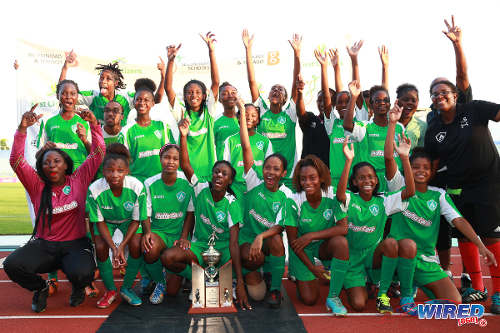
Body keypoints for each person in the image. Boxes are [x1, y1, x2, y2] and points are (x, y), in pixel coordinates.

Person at [384, 106, 497, 315]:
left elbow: (459, 221)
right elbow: (389, 159)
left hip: (426, 262)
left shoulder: (438, 194)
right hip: (401, 255)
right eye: (415, 166)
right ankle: (406, 291)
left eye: (425, 168)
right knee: (406, 245)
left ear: (432, 171)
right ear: (409, 166)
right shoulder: (399, 185)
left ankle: (418, 284)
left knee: (455, 302)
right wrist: (393, 125)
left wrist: (481, 245)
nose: (420, 171)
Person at [4, 105, 105, 313]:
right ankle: (40, 287)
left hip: (74, 245)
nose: (52, 165)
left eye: (57, 161)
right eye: (47, 162)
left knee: (84, 272)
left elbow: (97, 153)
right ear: (41, 168)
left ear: (66, 165)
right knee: (12, 265)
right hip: (45, 246)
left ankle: (78, 287)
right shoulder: (36, 185)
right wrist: (22, 129)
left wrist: (94, 125)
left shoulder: (78, 179)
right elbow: (16, 160)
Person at [424, 79, 500, 314]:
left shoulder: (474, 109)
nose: (439, 97)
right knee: (465, 237)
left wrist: (457, 45)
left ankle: (498, 292)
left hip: (488, 186)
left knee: (490, 237)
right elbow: (433, 165)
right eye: (434, 94)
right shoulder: (434, 128)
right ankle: (477, 288)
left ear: (456, 95)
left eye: (444, 92)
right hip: (456, 189)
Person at [161, 116, 251, 310]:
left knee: (242, 259)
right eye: (216, 172)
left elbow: (234, 243)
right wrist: (183, 137)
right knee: (168, 257)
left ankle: (230, 280)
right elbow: (185, 166)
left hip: (224, 249)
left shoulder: (232, 203)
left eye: (224, 174)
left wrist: (241, 284)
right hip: (201, 246)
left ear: (229, 181)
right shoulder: (201, 188)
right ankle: (200, 277)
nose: (219, 175)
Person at [336, 116, 416, 313]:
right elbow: (339, 194)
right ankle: (357, 282)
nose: (367, 181)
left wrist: (404, 158)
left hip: (373, 257)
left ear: (376, 180)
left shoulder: (383, 200)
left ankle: (382, 293)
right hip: (353, 260)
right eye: (361, 178)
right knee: (358, 304)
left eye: (370, 177)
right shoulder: (349, 198)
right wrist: (348, 161)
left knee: (391, 243)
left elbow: (409, 192)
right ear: (354, 182)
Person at [37, 79, 92, 294]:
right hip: (57, 183)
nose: (69, 97)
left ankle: (86, 273)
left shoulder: (83, 122)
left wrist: (85, 140)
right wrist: (44, 149)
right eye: (64, 93)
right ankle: (52, 277)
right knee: (53, 225)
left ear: (78, 96)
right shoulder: (49, 123)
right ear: (58, 96)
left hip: (79, 182)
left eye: (73, 93)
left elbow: (93, 155)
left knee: (84, 226)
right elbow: (39, 155)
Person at [236, 97, 290, 308]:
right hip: (247, 241)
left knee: (276, 241)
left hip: (264, 240)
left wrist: (261, 236)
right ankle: (255, 271)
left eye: (276, 169)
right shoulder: (253, 180)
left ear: (283, 173)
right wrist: (242, 113)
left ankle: (275, 288)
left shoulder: (286, 194)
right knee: (256, 293)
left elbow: (280, 226)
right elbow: (246, 147)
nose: (270, 172)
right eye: (268, 167)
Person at [285, 155, 349, 315]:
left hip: (322, 245)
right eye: (303, 179)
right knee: (310, 299)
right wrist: (312, 268)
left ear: (321, 178)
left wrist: (311, 236)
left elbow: (343, 228)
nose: (307, 183)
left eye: (312, 178)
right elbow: (293, 241)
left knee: (341, 243)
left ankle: (333, 296)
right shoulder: (293, 200)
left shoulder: (332, 194)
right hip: (302, 250)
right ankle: (301, 274)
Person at [87, 143, 148, 308]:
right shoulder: (94, 190)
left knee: (136, 244)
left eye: (120, 171)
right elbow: (99, 222)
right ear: (103, 171)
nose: (115, 175)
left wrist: (122, 245)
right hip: (106, 223)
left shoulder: (137, 186)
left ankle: (127, 288)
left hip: (129, 222)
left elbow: (137, 220)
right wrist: (114, 248)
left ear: (127, 171)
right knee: (100, 246)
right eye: (110, 170)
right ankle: (110, 290)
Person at [242, 29, 300, 189]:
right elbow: (252, 81)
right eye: (273, 89)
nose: (276, 91)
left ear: (285, 98)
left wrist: (297, 53)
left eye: (280, 90)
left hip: (287, 177)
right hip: (262, 177)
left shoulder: (290, 113)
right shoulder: (260, 110)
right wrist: (248, 49)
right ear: (267, 96)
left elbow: (296, 82)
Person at [141, 143, 195, 304]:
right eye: (166, 157)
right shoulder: (150, 183)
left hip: (178, 235)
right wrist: (148, 233)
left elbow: (190, 213)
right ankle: (160, 281)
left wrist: (185, 237)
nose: (170, 162)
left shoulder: (187, 182)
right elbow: (146, 214)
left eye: (175, 159)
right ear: (160, 159)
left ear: (180, 162)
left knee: (172, 292)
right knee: (149, 247)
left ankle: (197, 276)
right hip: (160, 233)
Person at [164, 32, 220, 182]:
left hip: (209, 175)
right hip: (185, 175)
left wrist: (211, 51)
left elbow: (215, 83)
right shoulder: (181, 113)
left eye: (197, 92)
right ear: (184, 96)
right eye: (189, 92)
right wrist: (170, 62)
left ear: (203, 96)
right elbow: (168, 89)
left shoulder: (209, 111)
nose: (193, 95)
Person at [59, 50, 166, 126]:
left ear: (116, 83)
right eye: (101, 78)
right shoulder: (93, 96)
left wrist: (163, 75)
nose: (103, 81)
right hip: (98, 144)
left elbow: (156, 99)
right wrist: (65, 67)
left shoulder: (126, 98)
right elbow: (62, 94)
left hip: (119, 144)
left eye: (108, 79)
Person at [343, 81, 405, 193]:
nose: (382, 103)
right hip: (371, 182)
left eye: (385, 100)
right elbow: (347, 125)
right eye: (377, 101)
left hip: (395, 180)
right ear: (371, 105)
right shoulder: (365, 127)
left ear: (390, 104)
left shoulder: (399, 127)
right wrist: (354, 97)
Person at [122, 78, 176, 183]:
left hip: (160, 183)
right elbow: (122, 163)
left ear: (152, 103)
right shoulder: (126, 132)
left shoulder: (162, 127)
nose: (142, 102)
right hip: (138, 184)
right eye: (138, 99)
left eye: (146, 100)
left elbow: (173, 154)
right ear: (134, 102)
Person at [223, 102, 273, 198]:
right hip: (236, 189)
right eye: (245, 114)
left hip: (258, 187)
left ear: (258, 120)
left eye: (253, 115)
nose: (249, 118)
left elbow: (269, 166)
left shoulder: (265, 141)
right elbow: (226, 166)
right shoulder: (230, 140)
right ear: (239, 117)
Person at [395, 84, 427, 150]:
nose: (410, 103)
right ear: (397, 101)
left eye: (413, 100)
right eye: (405, 100)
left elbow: (420, 153)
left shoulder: (422, 126)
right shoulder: (385, 121)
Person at [215, 82, 240, 161]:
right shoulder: (215, 122)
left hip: (242, 167)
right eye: (225, 93)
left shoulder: (246, 119)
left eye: (233, 93)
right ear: (219, 99)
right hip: (223, 167)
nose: (230, 96)